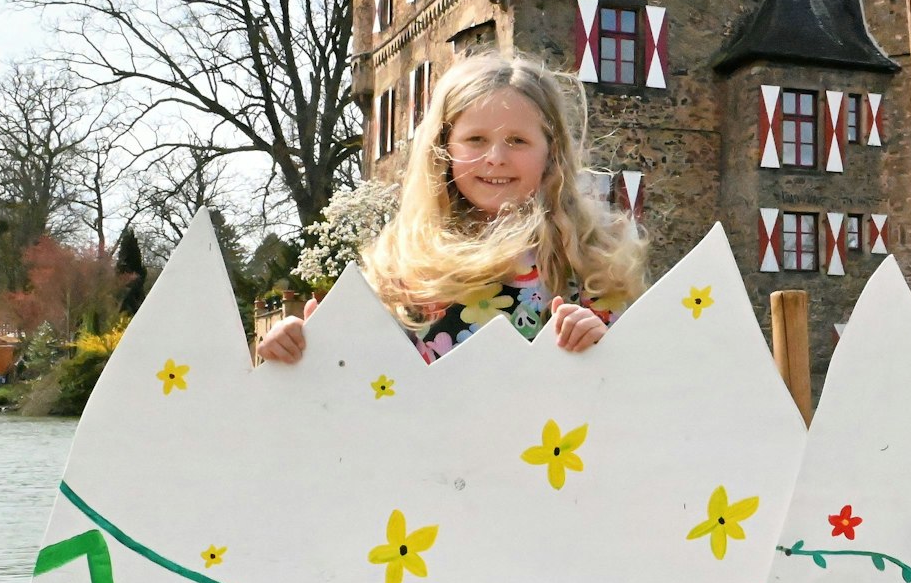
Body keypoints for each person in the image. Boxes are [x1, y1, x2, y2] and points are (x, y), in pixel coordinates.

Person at [256, 52, 646, 364]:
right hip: (426, 459)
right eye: (475, 139)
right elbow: (358, 374)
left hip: (544, 457)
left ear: (552, 152)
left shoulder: (591, 259)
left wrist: (601, 344)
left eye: (517, 140)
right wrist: (302, 348)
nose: (496, 157)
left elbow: (634, 382)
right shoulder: (403, 264)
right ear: (444, 149)